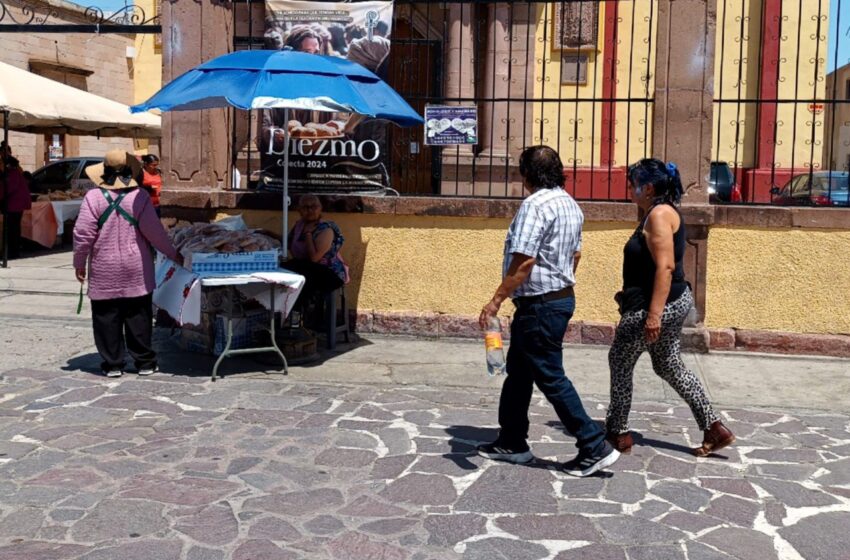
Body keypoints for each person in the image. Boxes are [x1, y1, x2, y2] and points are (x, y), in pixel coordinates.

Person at [476, 145, 620, 478]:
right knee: (519, 371)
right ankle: (512, 441)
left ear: (527, 174)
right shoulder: (569, 204)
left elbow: (524, 259)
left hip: (540, 304)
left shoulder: (535, 205)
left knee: (549, 375)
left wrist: (496, 300)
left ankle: (592, 443)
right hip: (557, 299)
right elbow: (576, 255)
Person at [606, 159, 735, 457]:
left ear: (648, 187)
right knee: (668, 365)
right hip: (669, 302)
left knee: (620, 361)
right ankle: (714, 428)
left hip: (654, 305)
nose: (630, 188)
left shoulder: (659, 215)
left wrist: (653, 315)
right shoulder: (658, 212)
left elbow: (665, 267)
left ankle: (618, 433)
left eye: (633, 183)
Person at [73, 150, 183, 377]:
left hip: (104, 266)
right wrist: (173, 254)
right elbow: (156, 234)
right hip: (136, 266)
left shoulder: (93, 197)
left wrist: (79, 263)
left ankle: (113, 364)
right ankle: (144, 363)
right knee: (138, 314)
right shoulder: (140, 197)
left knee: (106, 315)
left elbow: (82, 234)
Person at [285, 195, 349, 314]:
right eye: (305, 207)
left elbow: (314, 258)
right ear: (299, 210)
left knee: (303, 274)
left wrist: (308, 234)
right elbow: (287, 243)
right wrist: (267, 234)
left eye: (313, 207)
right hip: (309, 269)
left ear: (320, 208)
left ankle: (299, 315)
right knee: (287, 269)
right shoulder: (299, 225)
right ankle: (290, 313)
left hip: (329, 273)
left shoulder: (326, 229)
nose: (310, 210)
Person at [0, 153, 31, 260]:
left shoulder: (12, 174)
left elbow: (7, 189)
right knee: (14, 229)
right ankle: (13, 251)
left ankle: (12, 252)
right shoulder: (15, 173)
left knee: (12, 229)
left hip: (14, 205)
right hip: (16, 205)